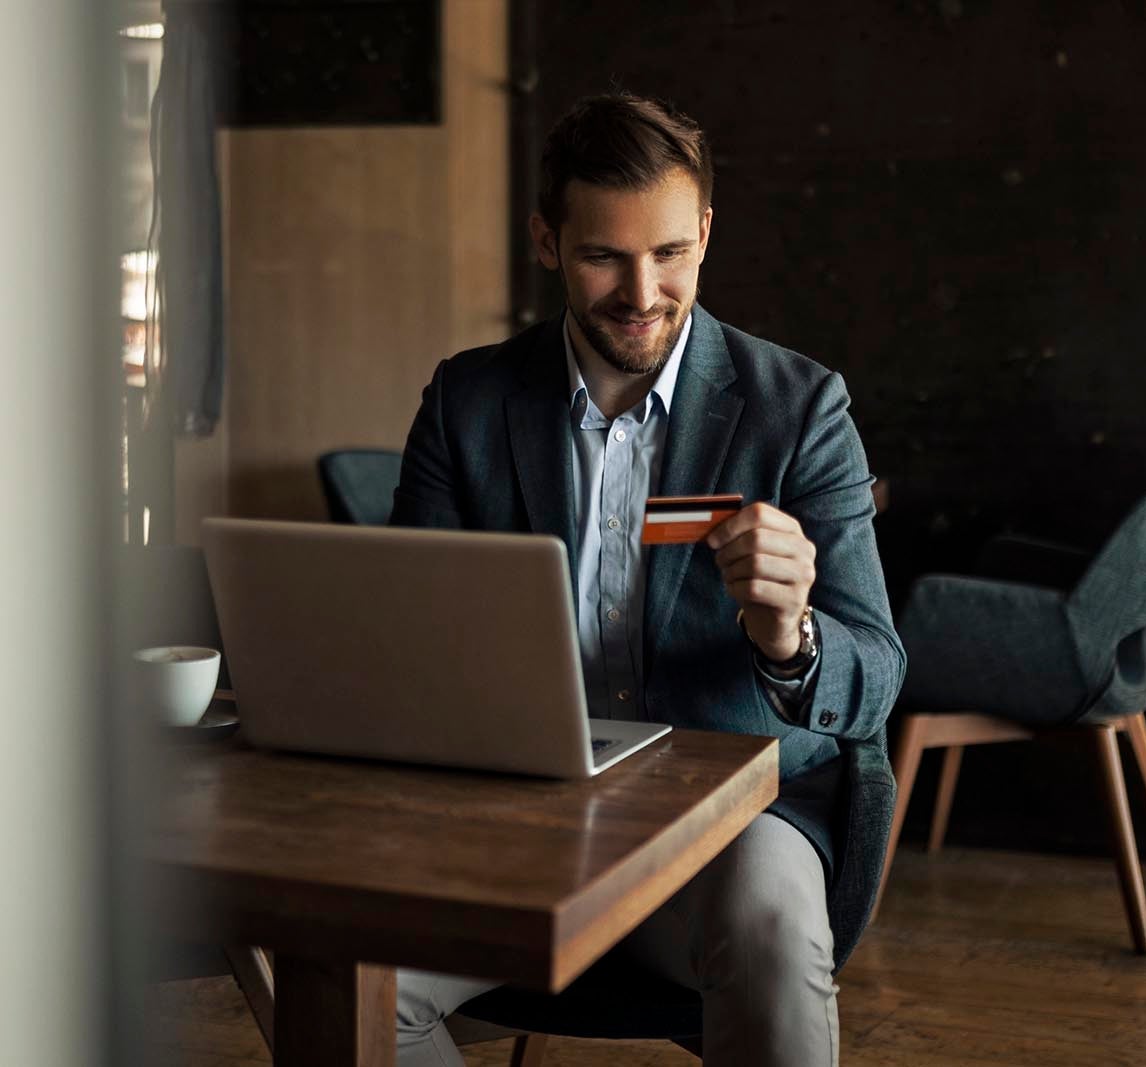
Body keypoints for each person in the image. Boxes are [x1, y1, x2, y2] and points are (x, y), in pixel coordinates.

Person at [388, 92, 904, 1067]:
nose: (641, 290)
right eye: (602, 256)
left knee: (772, 933)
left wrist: (789, 634)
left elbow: (876, 674)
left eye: (669, 252)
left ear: (705, 233)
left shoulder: (800, 408)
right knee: (337, 977)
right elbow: (405, 642)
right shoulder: (467, 402)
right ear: (546, 240)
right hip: (513, 823)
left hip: (734, 828)